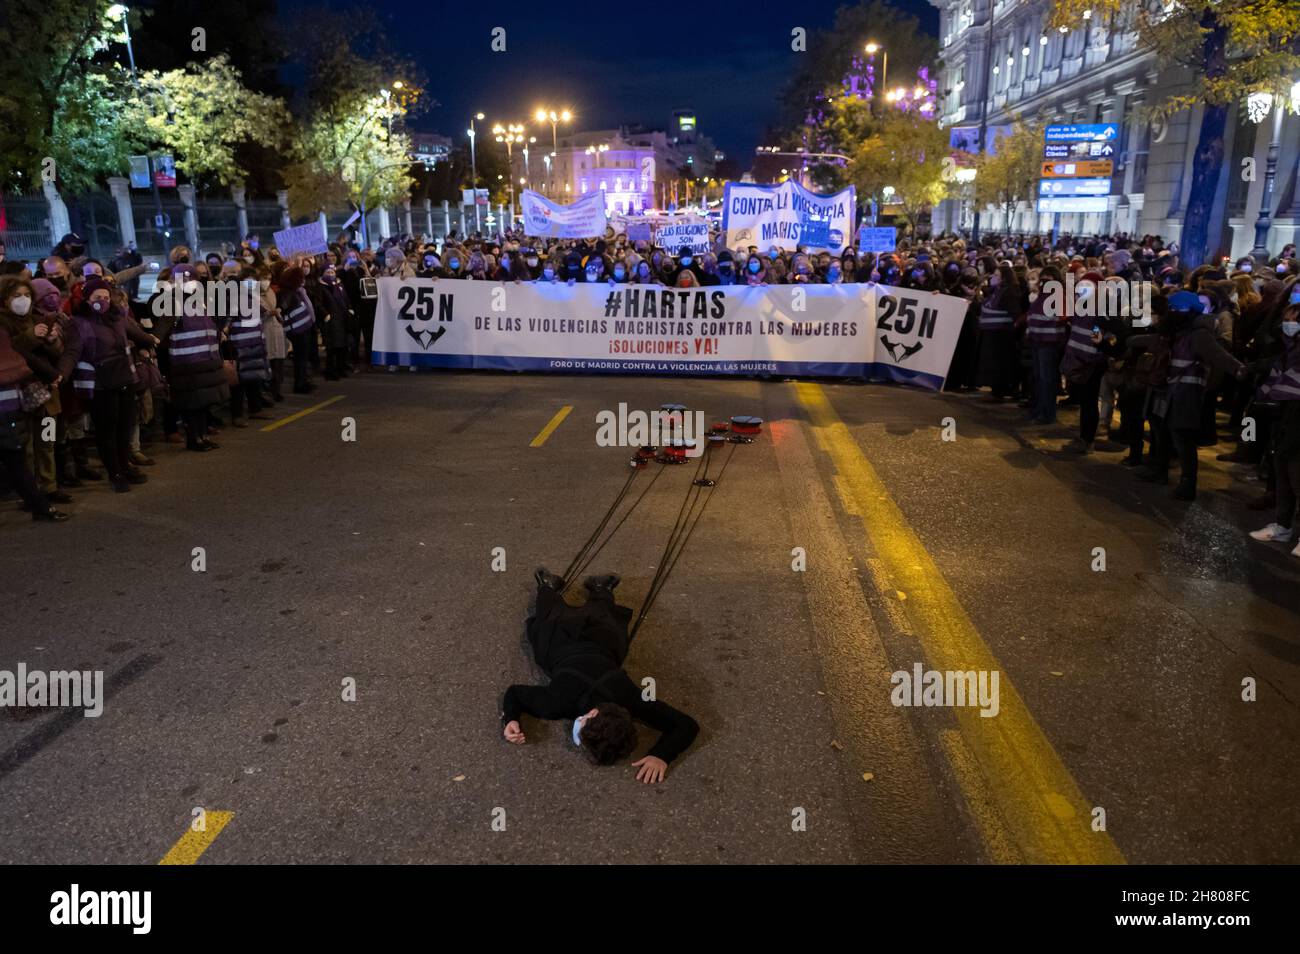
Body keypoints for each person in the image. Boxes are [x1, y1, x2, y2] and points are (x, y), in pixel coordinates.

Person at [501, 570, 699, 783]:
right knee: (549, 618)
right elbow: (516, 694)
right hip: (561, 644)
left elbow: (686, 725)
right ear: (593, 713)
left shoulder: (630, 699)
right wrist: (511, 719)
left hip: (599, 642)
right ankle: (549, 587)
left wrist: (661, 755)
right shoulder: (557, 703)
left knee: (603, 621)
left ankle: (598, 589)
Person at [57, 276, 153, 493]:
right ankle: (115, 472)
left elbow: (137, 334)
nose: (102, 300)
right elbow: (72, 352)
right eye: (97, 297)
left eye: (106, 296)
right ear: (87, 299)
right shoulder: (79, 322)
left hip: (124, 378)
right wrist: (61, 374)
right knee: (107, 431)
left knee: (124, 426)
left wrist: (152, 340)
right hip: (99, 385)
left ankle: (125, 466)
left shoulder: (118, 317)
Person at [1247, 303, 1300, 556]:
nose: (1288, 324)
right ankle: (1282, 525)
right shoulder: (1289, 350)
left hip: (1296, 419)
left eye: (1294, 320)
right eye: (1287, 319)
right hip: (1286, 418)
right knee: (1283, 474)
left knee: (1296, 474)